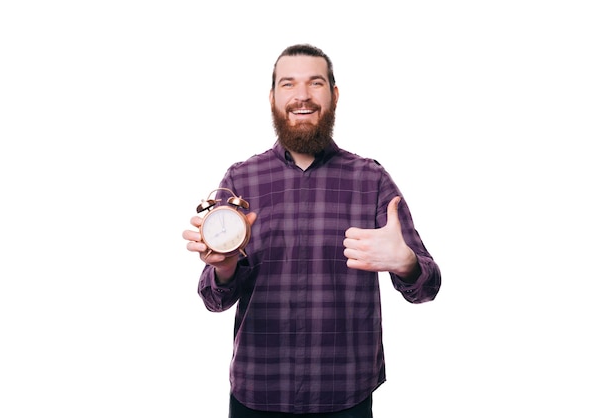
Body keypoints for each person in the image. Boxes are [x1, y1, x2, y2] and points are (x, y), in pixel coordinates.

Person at [182, 44, 441, 417]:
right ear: (273, 98)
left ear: (333, 95)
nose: (302, 95)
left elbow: (427, 287)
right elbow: (214, 300)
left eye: (315, 83)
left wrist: (407, 264)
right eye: (288, 84)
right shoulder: (241, 180)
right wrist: (223, 268)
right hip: (258, 391)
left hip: (345, 394)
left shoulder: (371, 180)